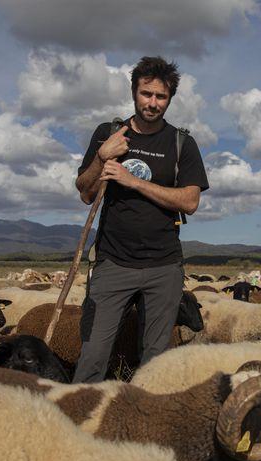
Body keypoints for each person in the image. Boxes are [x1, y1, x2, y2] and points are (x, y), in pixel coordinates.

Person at [72, 56, 209, 383]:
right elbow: (85, 192)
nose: (153, 103)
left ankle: (144, 422)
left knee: (155, 363)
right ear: (134, 92)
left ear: (170, 99)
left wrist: (133, 181)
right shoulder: (109, 133)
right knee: (92, 355)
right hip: (113, 262)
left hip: (163, 266)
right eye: (146, 94)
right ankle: (76, 423)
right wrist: (103, 156)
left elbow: (190, 202)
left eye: (160, 97)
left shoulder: (181, 143)